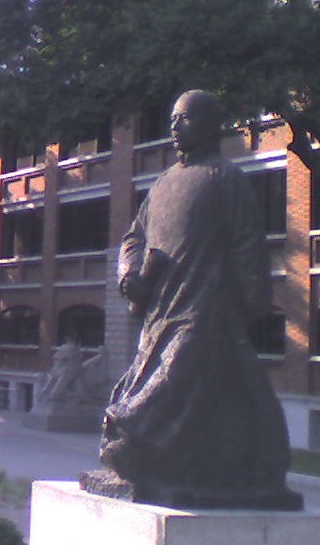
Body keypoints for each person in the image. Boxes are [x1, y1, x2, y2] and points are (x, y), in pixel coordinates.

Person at [98, 90, 300, 509]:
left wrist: (251, 303)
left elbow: (248, 245)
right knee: (226, 388)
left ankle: (132, 438)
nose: (174, 126)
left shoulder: (226, 178)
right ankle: (241, 462)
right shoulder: (163, 183)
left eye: (185, 118)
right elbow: (134, 237)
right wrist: (129, 275)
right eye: (172, 118)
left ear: (210, 124)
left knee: (176, 380)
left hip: (207, 309)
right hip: (160, 311)